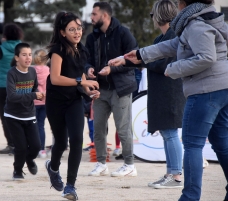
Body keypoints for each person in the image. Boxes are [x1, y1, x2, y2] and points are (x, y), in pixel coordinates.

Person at [115, 0, 228, 200]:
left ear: (184, 3)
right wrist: (141, 54)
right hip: (221, 87)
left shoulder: (196, 24)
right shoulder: (206, 20)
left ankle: (189, 197)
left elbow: (207, 57)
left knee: (192, 145)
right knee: (221, 143)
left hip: (205, 89)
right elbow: (175, 44)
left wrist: (174, 69)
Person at [109, 0, 186, 189]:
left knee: (170, 133)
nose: (151, 19)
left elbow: (161, 64)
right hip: (162, 92)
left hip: (172, 92)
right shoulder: (160, 39)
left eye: (153, 15)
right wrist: (126, 61)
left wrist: (137, 59)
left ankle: (176, 175)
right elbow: (148, 59)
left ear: (159, 15)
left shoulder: (174, 36)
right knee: (167, 133)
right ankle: (171, 172)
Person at [44, 11, 100, 201]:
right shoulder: (58, 50)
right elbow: (55, 78)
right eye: (72, 29)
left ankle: (70, 186)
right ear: (62, 32)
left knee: (77, 140)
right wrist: (81, 82)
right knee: (61, 142)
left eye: (79, 28)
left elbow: (81, 77)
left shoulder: (82, 50)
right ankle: (52, 167)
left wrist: (89, 90)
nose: (77, 32)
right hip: (55, 102)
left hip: (74, 100)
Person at [85, 2, 140, 177]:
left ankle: (130, 165)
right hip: (100, 89)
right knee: (98, 128)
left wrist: (112, 69)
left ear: (105, 16)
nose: (91, 18)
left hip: (121, 88)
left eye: (94, 14)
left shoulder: (124, 33)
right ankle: (101, 163)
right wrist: (88, 68)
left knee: (122, 128)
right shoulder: (91, 37)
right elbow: (86, 59)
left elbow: (134, 61)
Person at [4, 42, 43, 180]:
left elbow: (34, 88)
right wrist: (34, 95)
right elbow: (12, 96)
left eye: (30, 54)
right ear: (16, 58)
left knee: (36, 146)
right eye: (24, 55)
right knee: (20, 146)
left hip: (29, 114)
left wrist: (38, 93)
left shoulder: (32, 71)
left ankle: (29, 159)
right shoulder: (12, 73)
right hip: (13, 115)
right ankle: (18, 170)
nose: (28, 58)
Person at [0, 23, 23, 155]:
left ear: (5, 35)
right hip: (20, 86)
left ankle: (11, 144)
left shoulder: (1, 48)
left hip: (3, 86)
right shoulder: (21, 47)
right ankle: (21, 143)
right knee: (20, 115)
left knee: (5, 116)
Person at [33, 49, 50, 158]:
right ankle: (42, 149)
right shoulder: (48, 70)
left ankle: (32, 147)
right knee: (41, 125)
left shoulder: (31, 70)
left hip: (33, 101)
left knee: (32, 125)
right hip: (45, 101)